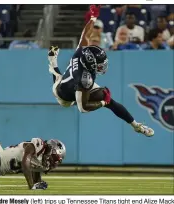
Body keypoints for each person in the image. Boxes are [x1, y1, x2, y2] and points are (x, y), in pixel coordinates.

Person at [48, 5, 154, 137]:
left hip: (71, 82)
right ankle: (53, 63)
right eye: (99, 65)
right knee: (104, 99)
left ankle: (136, 125)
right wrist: (104, 103)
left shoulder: (81, 52)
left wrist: (93, 17)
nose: (102, 67)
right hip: (64, 97)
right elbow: (83, 108)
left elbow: (85, 34)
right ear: (91, 64)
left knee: (108, 99)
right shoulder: (85, 79)